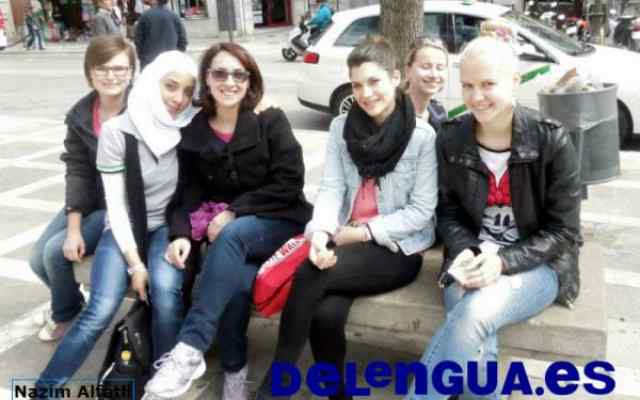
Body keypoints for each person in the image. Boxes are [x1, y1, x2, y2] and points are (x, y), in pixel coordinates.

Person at [256, 34, 438, 400]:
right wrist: (321, 232)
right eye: (357, 84)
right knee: (325, 314)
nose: (366, 93)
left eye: (374, 81)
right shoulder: (342, 128)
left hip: (397, 248)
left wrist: (365, 231)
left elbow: (421, 211)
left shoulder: (421, 136)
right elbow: (332, 188)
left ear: (396, 77)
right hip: (343, 239)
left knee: (310, 273)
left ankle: (277, 384)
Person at [405, 32, 581, 400]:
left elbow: (563, 231)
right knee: (477, 345)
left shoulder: (551, 140)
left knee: (473, 315)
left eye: (488, 84)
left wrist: (501, 263)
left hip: (537, 264)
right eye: (467, 85)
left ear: (514, 81)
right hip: (469, 260)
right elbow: (448, 212)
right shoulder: (452, 138)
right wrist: (467, 251)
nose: (475, 97)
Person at [142, 42, 312, 400]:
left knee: (231, 235)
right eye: (220, 72)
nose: (229, 81)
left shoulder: (270, 119)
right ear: (207, 78)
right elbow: (187, 192)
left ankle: (189, 348)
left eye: (239, 74)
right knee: (234, 286)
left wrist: (235, 211)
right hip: (231, 236)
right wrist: (181, 233)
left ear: (250, 81)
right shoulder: (195, 131)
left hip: (279, 219)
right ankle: (235, 369)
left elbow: (289, 182)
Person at [36, 50, 199, 394]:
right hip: (126, 227)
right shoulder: (117, 131)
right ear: (153, 82)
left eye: (187, 91)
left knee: (167, 296)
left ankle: (160, 382)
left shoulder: (189, 125)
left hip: (167, 228)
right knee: (101, 307)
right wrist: (135, 264)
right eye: (171, 86)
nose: (178, 99)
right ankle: (46, 387)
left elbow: (236, 108)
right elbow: (116, 206)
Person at [29, 35, 134, 342]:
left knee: (53, 254)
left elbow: (188, 99)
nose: (111, 75)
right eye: (102, 68)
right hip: (92, 200)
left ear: (131, 71)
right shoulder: (80, 115)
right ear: (89, 72)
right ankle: (72, 306)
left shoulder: (144, 107)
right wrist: (73, 227)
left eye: (120, 68)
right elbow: (77, 172)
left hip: (124, 206)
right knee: (39, 259)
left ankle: (65, 316)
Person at [405, 37, 449, 134]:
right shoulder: (392, 111)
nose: (434, 75)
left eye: (440, 68)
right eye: (426, 67)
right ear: (408, 71)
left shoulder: (439, 113)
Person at [134, 0, 187, 69]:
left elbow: (138, 40)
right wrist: (177, 54)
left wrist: (142, 56)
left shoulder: (145, 16)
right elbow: (183, 40)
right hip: (171, 62)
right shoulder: (174, 16)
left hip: (150, 62)